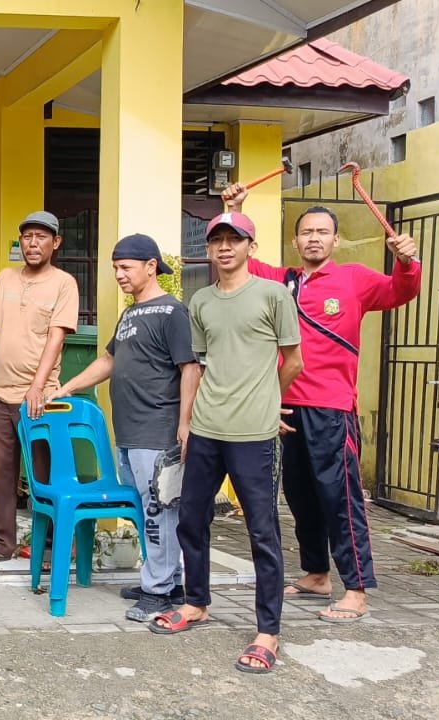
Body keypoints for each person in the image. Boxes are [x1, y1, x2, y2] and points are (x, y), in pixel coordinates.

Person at [224, 184, 421, 623]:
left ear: (335, 240)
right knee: (300, 497)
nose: (314, 238)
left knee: (340, 498)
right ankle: (316, 573)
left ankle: (356, 588)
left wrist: (407, 260)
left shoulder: (355, 279)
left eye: (322, 232)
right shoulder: (282, 281)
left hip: (332, 409)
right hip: (285, 408)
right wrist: (234, 210)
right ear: (295, 242)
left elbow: (400, 291)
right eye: (306, 232)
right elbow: (240, 262)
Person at [150, 211, 303, 676]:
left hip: (254, 434)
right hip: (207, 429)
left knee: (262, 532)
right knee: (191, 519)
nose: (224, 248)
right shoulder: (201, 302)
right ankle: (196, 602)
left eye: (233, 240)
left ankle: (267, 631)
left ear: (250, 247)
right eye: (216, 240)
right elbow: (197, 364)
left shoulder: (273, 295)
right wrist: (187, 420)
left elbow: (292, 360)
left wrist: (266, 398)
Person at [56, 234, 200, 622]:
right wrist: (67, 386)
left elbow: (190, 368)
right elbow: (108, 361)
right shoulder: (130, 315)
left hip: (158, 431)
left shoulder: (172, 313)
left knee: (159, 512)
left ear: (151, 266)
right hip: (130, 431)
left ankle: (158, 592)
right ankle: (167, 581)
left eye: (125, 267)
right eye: (115, 268)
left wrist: (184, 424)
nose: (118, 275)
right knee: (147, 509)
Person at [0, 211, 79, 565]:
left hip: (41, 400)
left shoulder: (64, 283)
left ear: (56, 242)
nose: (33, 243)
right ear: (20, 242)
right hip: (0, 396)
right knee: (0, 476)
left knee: (44, 476)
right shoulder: (5, 278)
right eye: (27, 237)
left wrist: (37, 388)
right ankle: (1, 544)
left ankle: (53, 545)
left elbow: (56, 339)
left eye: (41, 237)